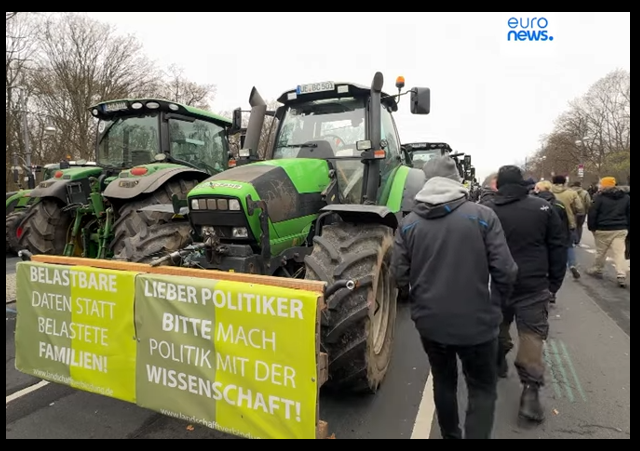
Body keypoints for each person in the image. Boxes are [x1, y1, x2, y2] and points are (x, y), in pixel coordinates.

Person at [392, 156, 517, 440]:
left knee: (443, 381)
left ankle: (451, 435)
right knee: (481, 388)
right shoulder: (482, 216)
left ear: (425, 182)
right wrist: (497, 309)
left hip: (431, 323)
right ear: (456, 180)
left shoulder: (409, 224)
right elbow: (506, 270)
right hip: (479, 323)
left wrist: (418, 301)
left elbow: (399, 274)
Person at [480, 166, 566, 424]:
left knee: (497, 327)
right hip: (533, 284)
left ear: (498, 185)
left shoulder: (487, 211)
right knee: (532, 337)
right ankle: (530, 392)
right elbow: (557, 246)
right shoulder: (542, 208)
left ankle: (498, 358)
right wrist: (554, 283)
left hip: (498, 283)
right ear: (522, 183)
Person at [587, 177, 630, 288]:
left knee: (601, 252)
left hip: (603, 228)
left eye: (601, 183)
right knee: (619, 253)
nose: (599, 185)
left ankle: (598, 268)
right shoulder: (626, 197)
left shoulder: (599, 197)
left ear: (604, 185)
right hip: (620, 228)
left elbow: (593, 213)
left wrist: (592, 228)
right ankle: (621, 274)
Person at [534, 181, 572, 305]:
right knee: (555, 264)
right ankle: (551, 292)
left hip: (539, 241)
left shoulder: (534, 204)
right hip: (556, 240)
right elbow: (564, 224)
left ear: (539, 189)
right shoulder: (559, 205)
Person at [551, 175, 584, 279]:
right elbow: (580, 208)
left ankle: (553, 267)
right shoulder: (572, 193)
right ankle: (572, 265)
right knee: (569, 245)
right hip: (568, 222)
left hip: (551, 222)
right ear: (565, 182)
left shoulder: (549, 192)